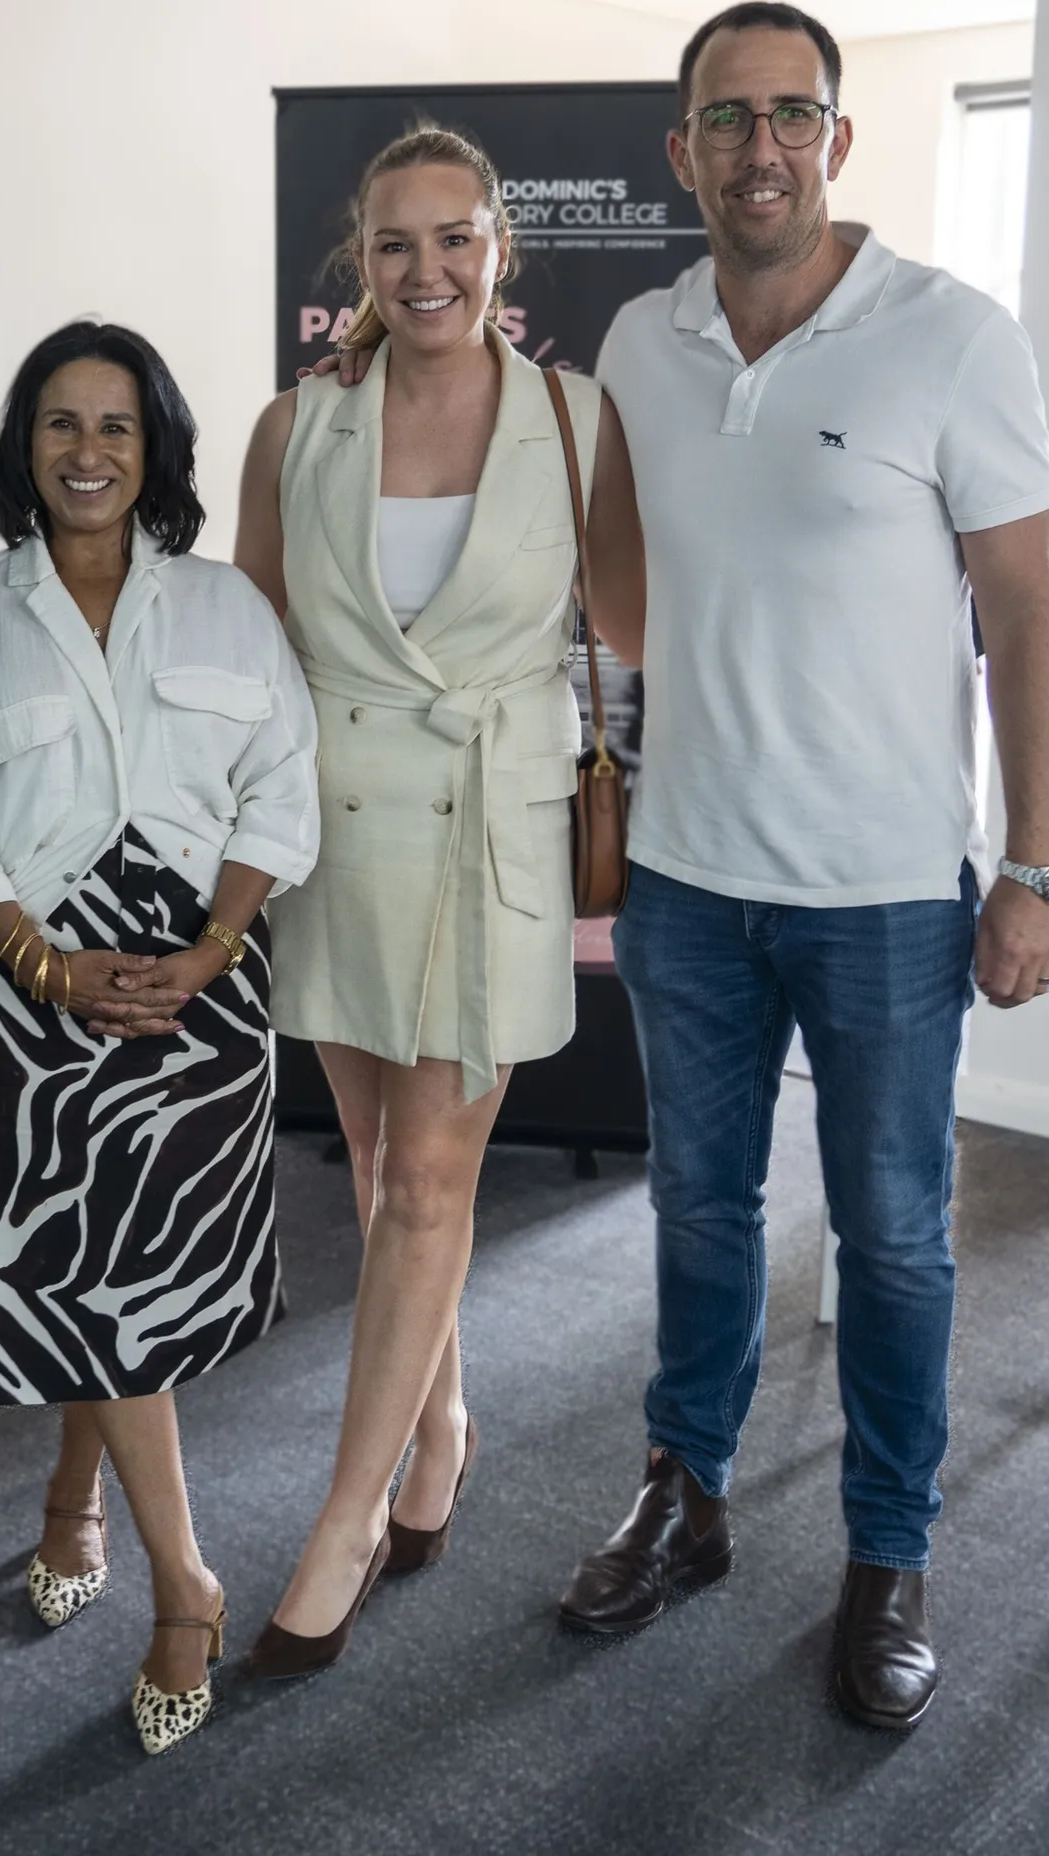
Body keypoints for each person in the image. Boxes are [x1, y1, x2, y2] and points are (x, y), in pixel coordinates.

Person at [561, 2, 1049, 1731]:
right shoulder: (639, 340)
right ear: (682, 150)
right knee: (699, 1213)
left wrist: (1038, 868)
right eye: (728, 118)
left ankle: (888, 1552)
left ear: (837, 139)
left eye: (792, 113)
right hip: (691, 881)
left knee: (897, 1242)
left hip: (887, 896)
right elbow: (623, 592)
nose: (760, 146)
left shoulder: (953, 335)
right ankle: (686, 1494)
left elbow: (1024, 615)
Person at [234, 126, 638, 1677]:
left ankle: (346, 1519)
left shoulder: (577, 419)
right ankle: (443, 1421)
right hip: (339, 828)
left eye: (454, 238)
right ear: (361, 257)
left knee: (425, 1183)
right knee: (377, 1162)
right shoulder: (298, 425)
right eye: (395, 244)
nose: (427, 272)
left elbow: (637, 617)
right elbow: (254, 642)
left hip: (491, 830)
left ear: (499, 245)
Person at [0, 320, 319, 1753]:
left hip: (201, 979)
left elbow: (282, 788)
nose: (88, 452)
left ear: (158, 449)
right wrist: (49, 970)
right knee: (87, 1266)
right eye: (61, 424)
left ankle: (75, 1503)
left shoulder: (226, 607)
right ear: (25, 446)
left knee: (123, 1276)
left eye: (116, 426)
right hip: (22, 984)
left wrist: (209, 953)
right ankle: (184, 1584)